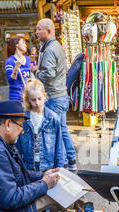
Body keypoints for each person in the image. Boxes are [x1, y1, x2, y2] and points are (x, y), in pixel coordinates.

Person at [31, 18, 77, 171]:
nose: (36, 32)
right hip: (60, 95)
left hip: (54, 96)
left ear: (49, 31)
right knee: (62, 129)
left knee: (55, 131)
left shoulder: (50, 49)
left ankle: (63, 163)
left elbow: (49, 74)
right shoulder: (52, 46)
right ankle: (70, 160)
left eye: (39, 29)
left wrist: (35, 72)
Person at [15, 79, 64, 172]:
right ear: (27, 99)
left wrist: (59, 170)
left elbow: (59, 147)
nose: (37, 103)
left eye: (39, 98)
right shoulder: (23, 119)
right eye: (33, 100)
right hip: (28, 168)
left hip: (48, 167)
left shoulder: (53, 118)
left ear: (45, 96)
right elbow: (18, 147)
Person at [5, 36, 31, 101]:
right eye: (23, 42)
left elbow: (31, 77)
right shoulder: (10, 61)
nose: (26, 45)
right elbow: (11, 81)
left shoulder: (28, 59)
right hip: (16, 97)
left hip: (28, 96)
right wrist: (16, 68)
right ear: (16, 44)